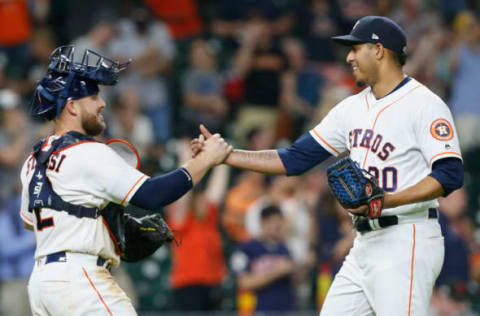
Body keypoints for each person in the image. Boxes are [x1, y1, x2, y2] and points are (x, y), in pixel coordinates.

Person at [193, 16, 464, 315]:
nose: (349, 57)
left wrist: (387, 200)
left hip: (407, 238)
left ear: (378, 50)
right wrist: (228, 156)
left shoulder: (424, 104)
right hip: (364, 242)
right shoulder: (351, 108)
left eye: (355, 48)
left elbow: (449, 174)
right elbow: (294, 159)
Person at [20, 45, 232, 315]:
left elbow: (31, 222)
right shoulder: (87, 152)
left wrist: (99, 217)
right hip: (79, 280)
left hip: (42, 284)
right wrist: (206, 160)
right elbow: (153, 195)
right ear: (72, 107)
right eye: (94, 97)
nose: (102, 104)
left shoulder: (33, 161)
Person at [231, 205, 296, 314]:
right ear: (262, 223)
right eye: (272, 223)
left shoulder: (284, 249)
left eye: (279, 225)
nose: (276, 228)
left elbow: (294, 282)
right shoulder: (246, 248)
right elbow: (243, 283)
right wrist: (276, 272)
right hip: (256, 311)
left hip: (284, 310)